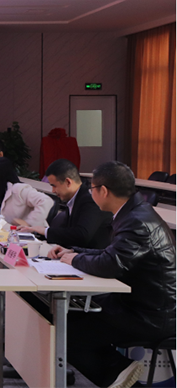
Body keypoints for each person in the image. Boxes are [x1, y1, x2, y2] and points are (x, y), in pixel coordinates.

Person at [51, 161, 176, 388]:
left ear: (104, 191)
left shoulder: (136, 221)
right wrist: (74, 252)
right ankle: (118, 371)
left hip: (151, 314)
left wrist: (74, 259)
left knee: (67, 334)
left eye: (92, 188)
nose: (90, 193)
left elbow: (111, 265)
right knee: (71, 314)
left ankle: (119, 372)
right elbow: (112, 254)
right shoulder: (134, 212)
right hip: (139, 303)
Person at [20, 159, 112, 249]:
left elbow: (82, 235)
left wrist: (45, 231)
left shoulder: (90, 200)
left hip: (93, 256)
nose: (53, 191)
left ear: (68, 182)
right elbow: (67, 233)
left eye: (54, 186)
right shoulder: (75, 198)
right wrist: (36, 231)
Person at [0, 157, 52, 227]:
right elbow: (8, 210)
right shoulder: (2, 190)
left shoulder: (19, 189)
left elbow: (46, 200)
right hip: (13, 232)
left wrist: (28, 223)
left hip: (34, 232)